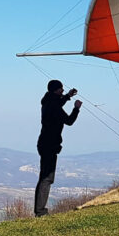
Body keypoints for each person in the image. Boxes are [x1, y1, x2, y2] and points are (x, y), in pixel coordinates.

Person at [34, 79, 81, 217]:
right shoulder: (54, 106)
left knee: (44, 177)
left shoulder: (47, 101)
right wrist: (76, 108)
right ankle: (41, 211)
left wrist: (68, 96)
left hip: (44, 143)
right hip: (49, 145)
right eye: (61, 89)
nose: (62, 90)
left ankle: (39, 210)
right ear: (56, 90)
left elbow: (58, 101)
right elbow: (69, 121)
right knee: (47, 178)